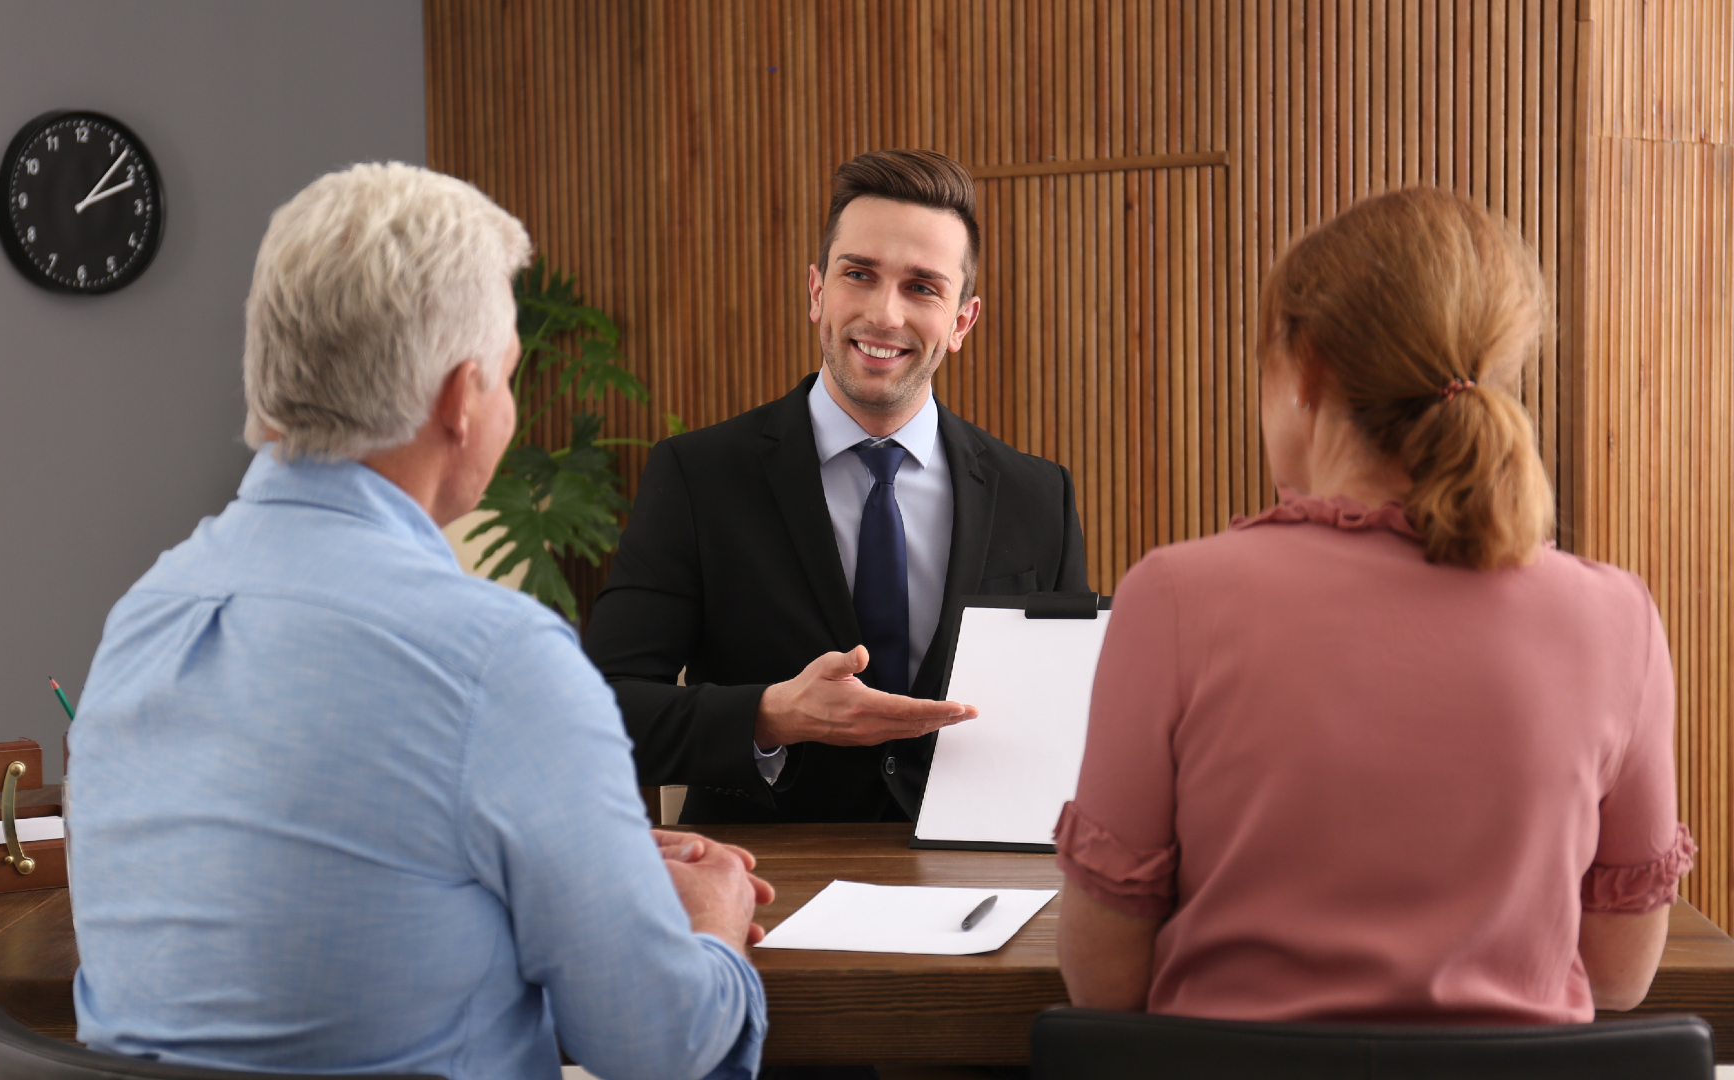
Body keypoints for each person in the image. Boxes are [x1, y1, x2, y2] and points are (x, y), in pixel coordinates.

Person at [66, 163, 771, 1080]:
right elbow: (659, 1046)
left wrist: (571, 856)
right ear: (461, 398)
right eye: (511, 377)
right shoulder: (500, 662)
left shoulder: (141, 618)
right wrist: (714, 925)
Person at [1054, 187, 1694, 1023]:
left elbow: (1103, 982)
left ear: (1307, 369)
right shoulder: (1620, 621)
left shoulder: (1173, 598)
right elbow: (1618, 976)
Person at [585, 149, 1089, 825]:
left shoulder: (1039, 497)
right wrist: (770, 716)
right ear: (818, 289)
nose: (884, 315)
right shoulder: (697, 476)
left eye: (922, 287)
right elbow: (598, 710)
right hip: (763, 894)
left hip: (976, 892)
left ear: (962, 321)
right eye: (860, 275)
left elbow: (1066, 724)